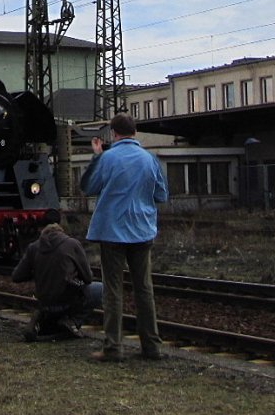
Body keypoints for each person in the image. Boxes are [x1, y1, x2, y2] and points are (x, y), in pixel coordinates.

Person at [80, 113, 169, 361]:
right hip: (142, 230)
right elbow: (161, 195)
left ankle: (113, 347)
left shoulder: (108, 158)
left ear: (113, 134)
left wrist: (97, 157)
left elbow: (88, 187)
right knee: (144, 288)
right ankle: (151, 346)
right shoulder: (149, 160)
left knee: (113, 290)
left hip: (113, 232)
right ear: (135, 132)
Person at [11, 209, 102, 341]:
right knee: (100, 289)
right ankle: (73, 321)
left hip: (44, 302)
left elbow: (16, 276)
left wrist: (37, 272)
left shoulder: (33, 247)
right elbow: (88, 277)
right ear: (60, 224)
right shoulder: (72, 244)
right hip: (67, 301)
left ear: (42, 227)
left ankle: (44, 319)